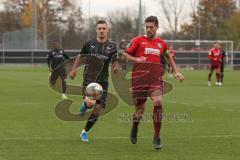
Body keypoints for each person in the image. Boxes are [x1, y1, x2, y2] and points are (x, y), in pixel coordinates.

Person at [123, 16, 184, 150]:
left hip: (155, 79)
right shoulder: (137, 40)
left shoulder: (161, 43)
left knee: (158, 102)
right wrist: (137, 59)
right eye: (147, 27)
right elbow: (125, 55)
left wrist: (176, 71)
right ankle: (135, 126)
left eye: (151, 27)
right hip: (139, 80)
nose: (149, 29)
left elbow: (168, 56)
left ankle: (157, 136)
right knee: (139, 110)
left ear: (157, 27)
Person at [69, 20, 119, 142]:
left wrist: (116, 67)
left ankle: (84, 132)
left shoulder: (112, 46)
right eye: (99, 28)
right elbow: (80, 56)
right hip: (89, 79)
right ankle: (85, 104)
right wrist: (74, 69)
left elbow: (115, 61)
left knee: (97, 110)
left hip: (103, 81)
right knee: (91, 103)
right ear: (96, 30)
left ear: (107, 30)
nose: (101, 30)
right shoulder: (89, 43)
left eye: (104, 28)